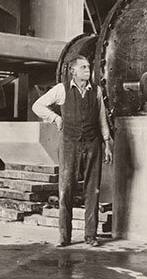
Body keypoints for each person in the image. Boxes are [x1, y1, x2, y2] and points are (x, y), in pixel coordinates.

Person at [32, 55, 113, 248]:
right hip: (70, 144)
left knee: (92, 190)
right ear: (73, 71)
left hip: (93, 144)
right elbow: (38, 106)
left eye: (89, 67)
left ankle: (90, 235)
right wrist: (56, 119)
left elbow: (102, 118)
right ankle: (64, 236)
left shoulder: (97, 91)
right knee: (66, 189)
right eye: (83, 67)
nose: (88, 70)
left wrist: (107, 143)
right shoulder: (61, 89)